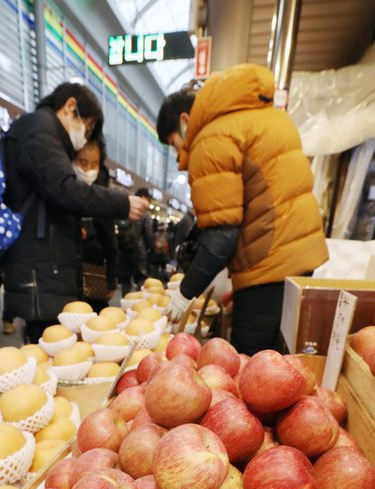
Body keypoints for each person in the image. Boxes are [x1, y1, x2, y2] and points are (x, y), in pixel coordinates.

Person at [156, 65, 329, 356]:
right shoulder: (258, 117)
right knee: (277, 358)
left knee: (252, 364)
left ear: (185, 122)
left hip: (268, 263)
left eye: (174, 144)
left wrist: (184, 294)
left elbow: (221, 234)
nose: (178, 157)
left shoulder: (211, 138)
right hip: (294, 257)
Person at [1, 82, 147, 344]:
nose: (84, 134)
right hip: (41, 272)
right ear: (70, 107)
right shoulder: (39, 129)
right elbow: (63, 189)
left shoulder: (40, 131)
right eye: (87, 126)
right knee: (47, 350)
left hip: (48, 271)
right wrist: (122, 203)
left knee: (57, 350)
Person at [74, 136, 119, 311]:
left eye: (94, 165)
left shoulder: (102, 196)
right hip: (65, 278)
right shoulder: (63, 189)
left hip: (93, 273)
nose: (87, 169)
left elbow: (110, 240)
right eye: (83, 162)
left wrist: (111, 278)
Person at [116, 187, 152, 296]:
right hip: (138, 252)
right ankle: (138, 306)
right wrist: (148, 248)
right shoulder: (145, 213)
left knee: (125, 281)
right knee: (140, 279)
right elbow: (148, 235)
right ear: (144, 197)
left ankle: (125, 303)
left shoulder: (126, 209)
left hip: (123, 249)